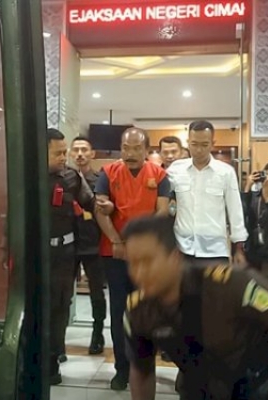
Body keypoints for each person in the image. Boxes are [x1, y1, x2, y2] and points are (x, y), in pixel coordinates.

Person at [122, 215, 268, 400]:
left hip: (262, 383)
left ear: (174, 257)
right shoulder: (139, 311)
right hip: (205, 387)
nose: (139, 273)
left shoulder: (227, 285)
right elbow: (142, 371)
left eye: (147, 261)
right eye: (133, 263)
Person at [94, 127, 172, 390]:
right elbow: (100, 209)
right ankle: (122, 369)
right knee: (119, 312)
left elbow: (162, 212)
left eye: (137, 148)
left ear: (146, 150)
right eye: (126, 148)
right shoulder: (108, 173)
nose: (130, 153)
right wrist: (117, 240)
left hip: (146, 257)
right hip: (115, 253)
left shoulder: (159, 175)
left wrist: (140, 244)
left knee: (147, 311)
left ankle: (144, 367)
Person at [45, 128, 95, 385]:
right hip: (37, 255)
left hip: (65, 254)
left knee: (61, 306)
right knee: (39, 307)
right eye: (58, 153)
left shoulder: (72, 177)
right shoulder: (26, 177)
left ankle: (54, 359)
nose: (64, 157)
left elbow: (91, 203)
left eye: (65, 152)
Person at [166, 120, 248, 267]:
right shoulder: (175, 170)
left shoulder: (226, 172)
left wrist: (239, 249)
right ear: (188, 142)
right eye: (194, 144)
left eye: (204, 145)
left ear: (212, 143)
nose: (199, 150)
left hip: (215, 250)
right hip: (182, 249)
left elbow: (235, 210)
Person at [70, 136, 107, 356]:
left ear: (92, 154)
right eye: (76, 150)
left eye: (84, 150)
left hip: (94, 244)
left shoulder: (100, 180)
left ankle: (97, 334)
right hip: (69, 244)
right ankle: (57, 341)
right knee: (64, 294)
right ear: (70, 153)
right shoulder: (64, 178)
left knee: (97, 293)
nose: (80, 154)